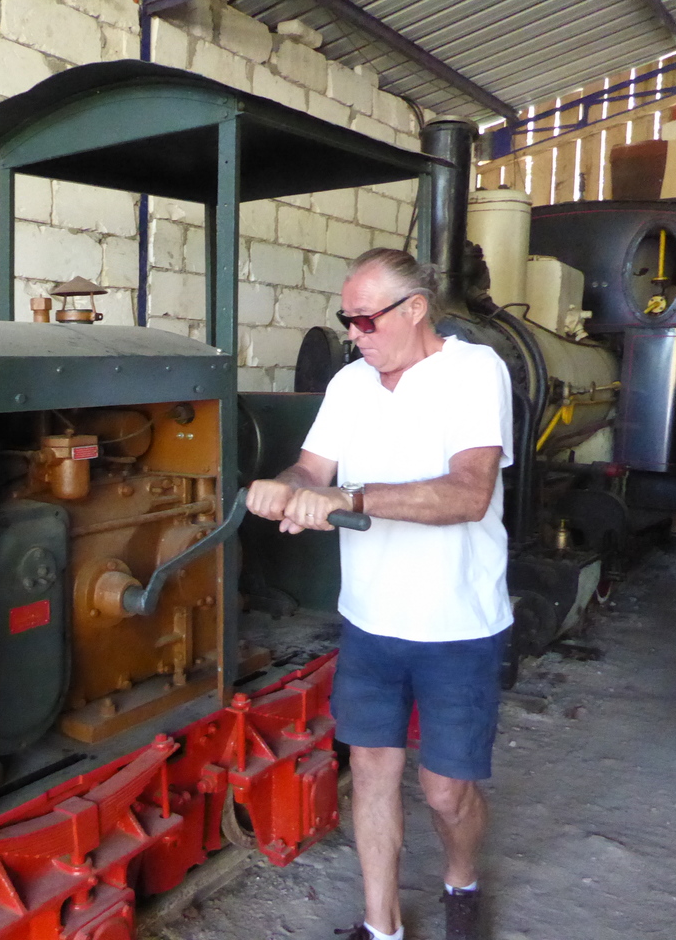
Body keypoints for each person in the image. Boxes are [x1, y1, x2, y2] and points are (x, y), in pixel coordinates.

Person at [245, 248, 513, 940]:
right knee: (369, 771)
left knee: (446, 793)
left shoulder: (474, 371)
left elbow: (469, 494)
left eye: (365, 319)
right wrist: (287, 489)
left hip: (457, 624)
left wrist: (350, 498)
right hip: (369, 621)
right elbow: (312, 468)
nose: (354, 333)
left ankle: (461, 881)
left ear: (415, 309)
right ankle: (381, 925)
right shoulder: (350, 384)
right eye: (347, 320)